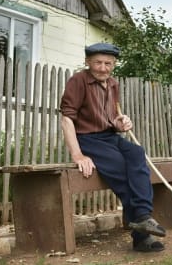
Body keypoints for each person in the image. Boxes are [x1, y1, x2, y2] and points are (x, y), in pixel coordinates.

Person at [60, 42, 166, 252]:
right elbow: (66, 119)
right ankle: (141, 237)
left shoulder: (113, 84)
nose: (103, 68)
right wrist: (78, 154)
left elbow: (111, 120)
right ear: (88, 62)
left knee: (137, 153)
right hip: (89, 139)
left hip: (109, 137)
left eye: (108, 63)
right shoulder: (78, 81)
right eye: (98, 62)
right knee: (123, 173)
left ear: (114, 64)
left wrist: (121, 122)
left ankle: (144, 217)